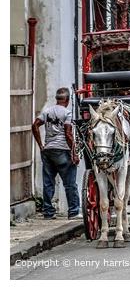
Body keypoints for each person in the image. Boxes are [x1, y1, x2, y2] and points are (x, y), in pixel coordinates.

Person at [31, 87, 80, 219]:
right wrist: (74, 152)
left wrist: (41, 145)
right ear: (68, 100)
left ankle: (48, 212)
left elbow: (35, 125)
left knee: (48, 182)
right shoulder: (67, 113)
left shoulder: (47, 112)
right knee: (70, 183)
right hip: (62, 150)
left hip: (47, 151)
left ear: (57, 99)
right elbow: (68, 134)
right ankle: (74, 211)